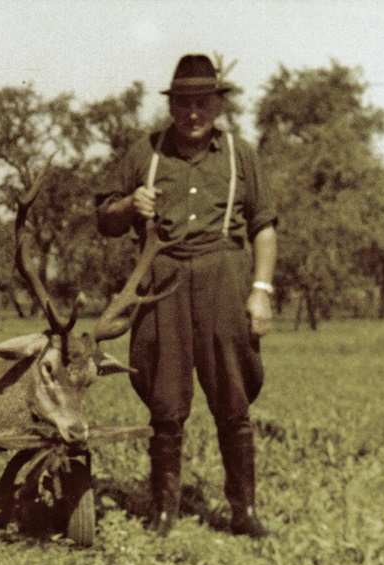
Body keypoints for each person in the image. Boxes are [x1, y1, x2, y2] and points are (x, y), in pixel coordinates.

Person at [94, 54, 278, 538]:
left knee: (233, 396)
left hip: (224, 275)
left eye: (202, 103)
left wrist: (260, 291)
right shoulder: (145, 152)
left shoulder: (241, 154)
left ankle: (244, 512)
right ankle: (163, 512)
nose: (193, 113)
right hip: (163, 280)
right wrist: (128, 205)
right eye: (183, 103)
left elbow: (263, 227)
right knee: (164, 398)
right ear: (171, 104)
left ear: (218, 104)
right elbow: (105, 221)